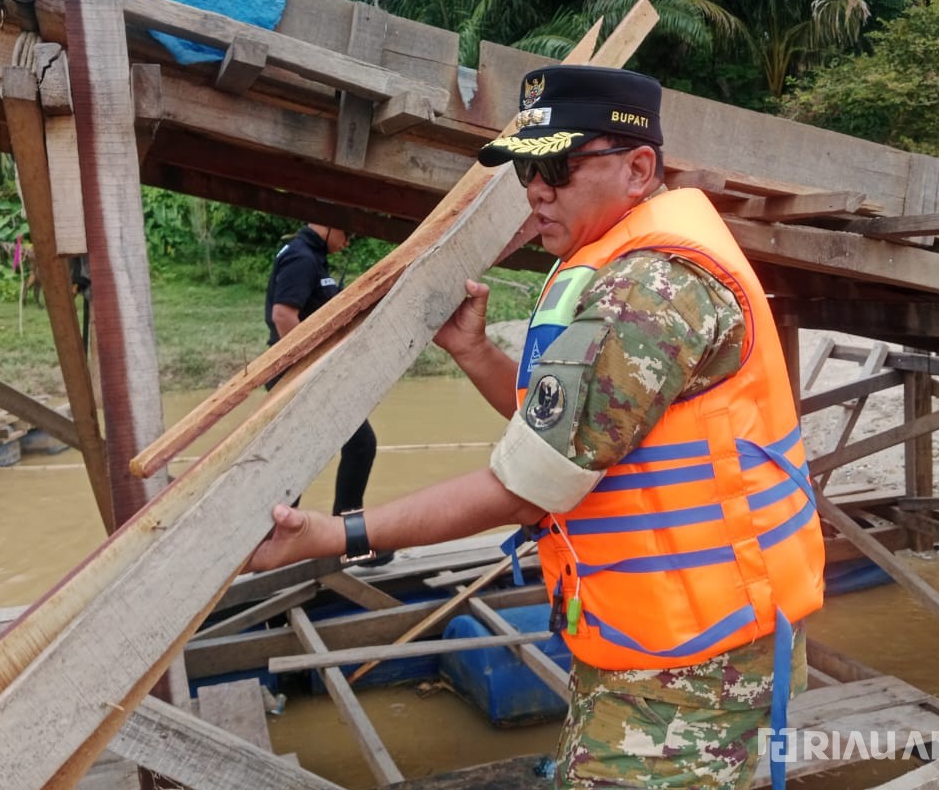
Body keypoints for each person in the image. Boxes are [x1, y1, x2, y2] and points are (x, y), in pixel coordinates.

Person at [247, 66, 826, 789]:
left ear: (638, 168)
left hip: (693, 666)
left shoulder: (650, 290)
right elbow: (561, 433)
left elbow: (526, 488)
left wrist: (333, 536)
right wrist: (476, 352)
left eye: (556, 166)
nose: (535, 191)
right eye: (527, 169)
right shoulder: (612, 266)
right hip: (653, 640)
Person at [264, 221, 378, 516]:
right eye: (347, 232)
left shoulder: (311, 256)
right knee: (359, 444)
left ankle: (276, 533)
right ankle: (347, 534)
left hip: (300, 371)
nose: (348, 241)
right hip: (298, 372)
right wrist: (309, 367)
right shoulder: (302, 257)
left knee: (298, 454)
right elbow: (283, 314)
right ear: (327, 223)